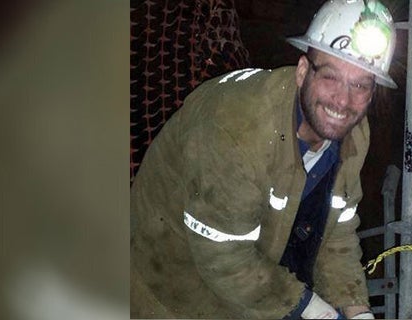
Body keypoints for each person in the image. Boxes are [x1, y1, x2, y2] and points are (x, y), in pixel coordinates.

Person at [130, 0, 397, 318]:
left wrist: (357, 310)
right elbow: (226, 258)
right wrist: (312, 310)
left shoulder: (354, 135)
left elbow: (335, 233)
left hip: (249, 287)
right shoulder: (237, 128)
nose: (343, 100)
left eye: (360, 85)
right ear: (302, 72)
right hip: (169, 293)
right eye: (330, 76)